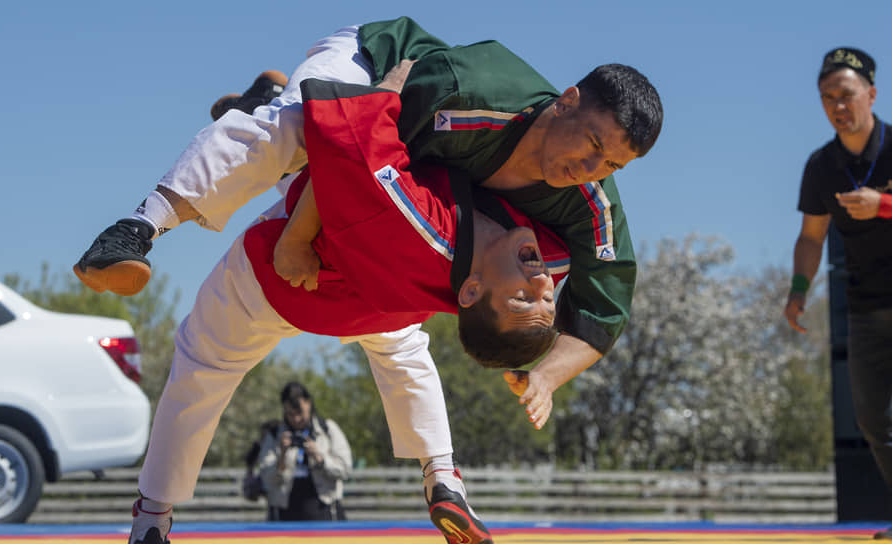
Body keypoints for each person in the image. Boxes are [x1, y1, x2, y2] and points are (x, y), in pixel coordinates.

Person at [74, 16, 663, 433]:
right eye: (590, 144)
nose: (589, 169)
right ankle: (136, 229)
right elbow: (349, 152)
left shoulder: (590, 201)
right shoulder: (471, 92)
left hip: (379, 150)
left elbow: (605, 309)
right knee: (291, 131)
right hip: (372, 67)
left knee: (301, 149)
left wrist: (546, 378)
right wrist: (295, 238)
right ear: (565, 100)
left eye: (611, 163)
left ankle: (259, 96)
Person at [127, 77, 573, 544]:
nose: (543, 282)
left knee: (203, 367)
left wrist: (390, 87)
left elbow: (342, 146)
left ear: (473, 291)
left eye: (527, 296)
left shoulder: (421, 214)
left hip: (288, 276)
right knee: (406, 353)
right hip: (384, 305)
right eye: (546, 295)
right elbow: (596, 261)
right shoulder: (540, 255)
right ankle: (442, 472)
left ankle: (153, 514)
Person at [783, 47, 892, 539]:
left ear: (871, 94)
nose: (837, 106)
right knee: (873, 418)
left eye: (845, 95)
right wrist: (799, 290)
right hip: (867, 305)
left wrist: (884, 205)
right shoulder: (821, 165)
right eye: (827, 98)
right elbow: (811, 237)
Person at [254, 382, 352, 521]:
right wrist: (281, 456)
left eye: (300, 412)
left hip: (324, 510)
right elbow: (266, 477)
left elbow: (346, 469)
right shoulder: (275, 435)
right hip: (284, 512)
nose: (296, 419)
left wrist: (320, 458)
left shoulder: (327, 429)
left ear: (309, 403)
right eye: (290, 414)